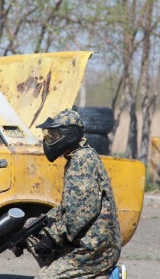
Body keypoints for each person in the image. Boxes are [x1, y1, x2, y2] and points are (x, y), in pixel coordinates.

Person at [27, 108, 122, 279]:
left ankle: (105, 275)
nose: (50, 139)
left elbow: (80, 215)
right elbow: (72, 206)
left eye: (55, 135)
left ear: (69, 134)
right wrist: (47, 219)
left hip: (96, 251)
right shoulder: (78, 157)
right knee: (31, 228)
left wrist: (52, 236)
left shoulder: (81, 161)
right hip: (87, 242)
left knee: (44, 278)